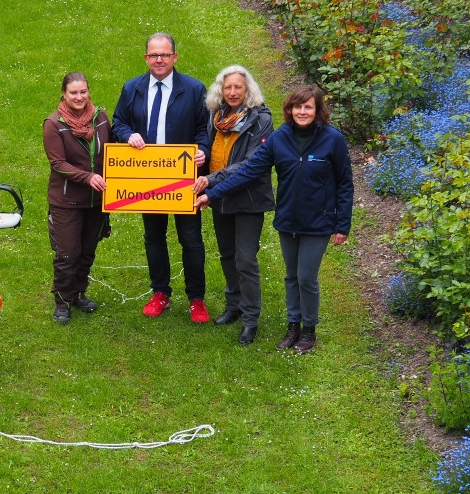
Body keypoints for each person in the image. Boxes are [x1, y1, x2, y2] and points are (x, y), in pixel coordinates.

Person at [194, 85, 353, 354]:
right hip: (288, 219)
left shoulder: (332, 139)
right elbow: (249, 171)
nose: (302, 112)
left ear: (318, 110)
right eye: (297, 107)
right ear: (290, 110)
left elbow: (345, 184)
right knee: (291, 276)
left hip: (319, 222)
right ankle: (293, 326)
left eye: (308, 107)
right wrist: (212, 194)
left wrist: (342, 224)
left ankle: (309, 329)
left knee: (306, 277)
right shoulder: (280, 138)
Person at [112, 32, 211, 323]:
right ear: (146, 58)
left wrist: (203, 150)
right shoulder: (133, 89)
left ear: (174, 57)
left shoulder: (193, 89)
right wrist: (128, 135)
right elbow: (119, 122)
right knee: (153, 236)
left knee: (191, 239)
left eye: (164, 54)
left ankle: (197, 299)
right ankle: (160, 292)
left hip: (184, 177)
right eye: (154, 55)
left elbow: (204, 129)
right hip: (148, 178)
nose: (159, 59)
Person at [193, 65, 275, 345]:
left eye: (238, 87)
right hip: (221, 196)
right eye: (227, 87)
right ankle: (234, 306)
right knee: (227, 254)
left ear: (247, 89)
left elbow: (252, 164)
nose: (232, 92)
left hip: (249, 198)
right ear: (220, 90)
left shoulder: (261, 119)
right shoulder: (217, 117)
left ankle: (251, 319)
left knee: (245, 259)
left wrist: (211, 181)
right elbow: (208, 149)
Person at [43, 72, 114, 324]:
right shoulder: (54, 124)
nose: (79, 97)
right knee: (67, 253)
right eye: (73, 92)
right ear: (64, 93)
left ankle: (78, 293)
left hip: (96, 201)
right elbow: (58, 163)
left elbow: (116, 150)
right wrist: (87, 177)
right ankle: (62, 301)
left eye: (83, 92)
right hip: (66, 201)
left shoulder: (101, 118)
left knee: (87, 250)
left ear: (88, 91)